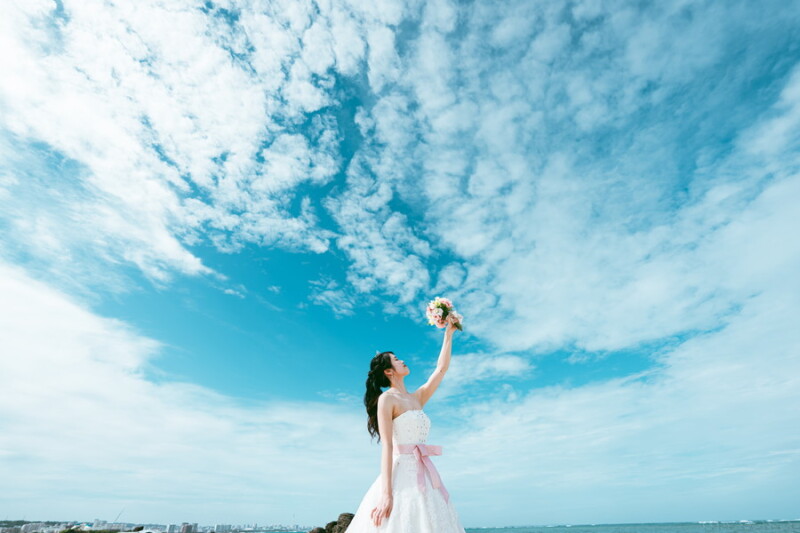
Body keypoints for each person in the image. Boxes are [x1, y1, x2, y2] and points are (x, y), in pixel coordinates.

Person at [344, 313, 466, 532]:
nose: (402, 360)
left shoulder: (417, 397)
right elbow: (388, 447)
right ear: (389, 371)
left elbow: (441, 369)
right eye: (396, 360)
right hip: (401, 474)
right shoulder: (387, 399)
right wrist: (386, 494)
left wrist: (448, 335)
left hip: (425, 473)